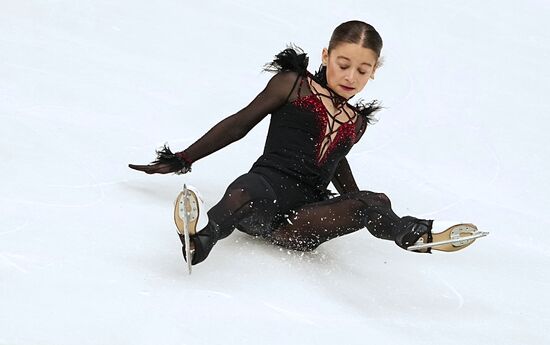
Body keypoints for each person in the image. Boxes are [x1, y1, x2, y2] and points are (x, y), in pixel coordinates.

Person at [129, 20, 483, 266]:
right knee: (244, 187)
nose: (350, 76)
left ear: (374, 71)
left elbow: (335, 161)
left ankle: (410, 234)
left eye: (363, 70)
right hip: (261, 198)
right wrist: (182, 158)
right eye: (343, 64)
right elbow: (239, 124)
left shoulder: (356, 123)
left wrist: (360, 203)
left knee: (377, 200)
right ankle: (202, 240)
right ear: (326, 55)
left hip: (302, 223)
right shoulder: (292, 85)